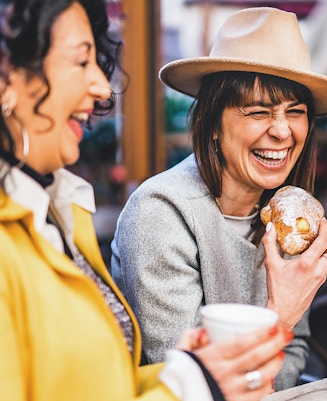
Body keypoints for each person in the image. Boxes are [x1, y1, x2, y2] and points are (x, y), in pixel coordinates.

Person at [0, 1, 296, 400]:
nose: (103, 88)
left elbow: (96, 386)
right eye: (80, 61)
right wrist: (197, 383)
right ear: (5, 78)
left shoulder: (58, 211)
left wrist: (190, 372)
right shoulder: (157, 210)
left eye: (296, 111)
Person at [111, 6, 327, 390]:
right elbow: (187, 382)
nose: (282, 131)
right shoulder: (160, 211)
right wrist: (282, 315)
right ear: (212, 124)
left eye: (296, 111)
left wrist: (286, 325)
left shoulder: (287, 216)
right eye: (258, 111)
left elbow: (294, 356)